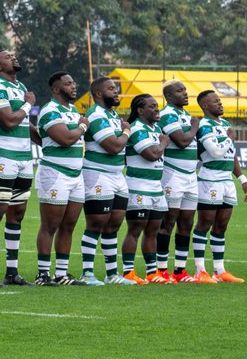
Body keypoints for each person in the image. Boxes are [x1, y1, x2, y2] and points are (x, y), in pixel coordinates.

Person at [0, 49, 36, 287]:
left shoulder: (21, 86)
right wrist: (28, 104)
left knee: (18, 214)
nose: (13, 57)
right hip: (2, 155)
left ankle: (12, 272)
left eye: (14, 54)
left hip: (24, 156)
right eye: (7, 56)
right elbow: (9, 121)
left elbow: (24, 123)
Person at [33, 72, 87, 285]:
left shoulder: (72, 110)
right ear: (56, 89)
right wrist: (82, 125)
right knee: (50, 225)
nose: (74, 86)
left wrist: (79, 125)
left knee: (69, 225)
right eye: (68, 84)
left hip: (76, 174)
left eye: (74, 82)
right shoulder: (50, 111)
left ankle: (62, 273)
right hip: (55, 174)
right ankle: (43, 273)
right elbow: (65, 139)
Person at [191, 90, 247, 283]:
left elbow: (230, 155)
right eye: (215, 101)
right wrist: (229, 138)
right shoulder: (203, 125)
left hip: (227, 180)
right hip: (210, 179)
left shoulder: (225, 125)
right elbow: (216, 152)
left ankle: (220, 270)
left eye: (220, 100)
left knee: (221, 225)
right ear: (205, 106)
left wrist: (242, 179)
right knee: (204, 223)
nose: (220, 103)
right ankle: (200, 270)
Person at [79, 77, 131, 285]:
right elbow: (113, 146)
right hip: (97, 173)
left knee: (114, 224)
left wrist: (123, 132)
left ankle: (112, 274)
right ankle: (87, 273)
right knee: (96, 223)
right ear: (99, 94)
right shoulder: (96, 115)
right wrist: (126, 130)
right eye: (111, 89)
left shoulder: (111, 114)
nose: (116, 92)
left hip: (118, 175)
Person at [157, 81, 200, 283]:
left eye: (184, 90)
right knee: (168, 222)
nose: (184, 93)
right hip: (173, 174)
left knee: (187, 223)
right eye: (179, 91)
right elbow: (182, 142)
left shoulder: (184, 114)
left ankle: (180, 270)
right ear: (168, 96)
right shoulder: (167, 114)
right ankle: (161, 269)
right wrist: (194, 126)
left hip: (191, 175)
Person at [122, 94, 168, 284]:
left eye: (157, 106)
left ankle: (152, 272)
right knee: (135, 229)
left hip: (156, 186)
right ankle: (128, 272)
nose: (157, 109)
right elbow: (151, 154)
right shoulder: (136, 129)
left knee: (153, 230)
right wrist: (164, 142)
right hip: (138, 185)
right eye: (152, 106)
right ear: (140, 110)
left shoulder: (156, 128)